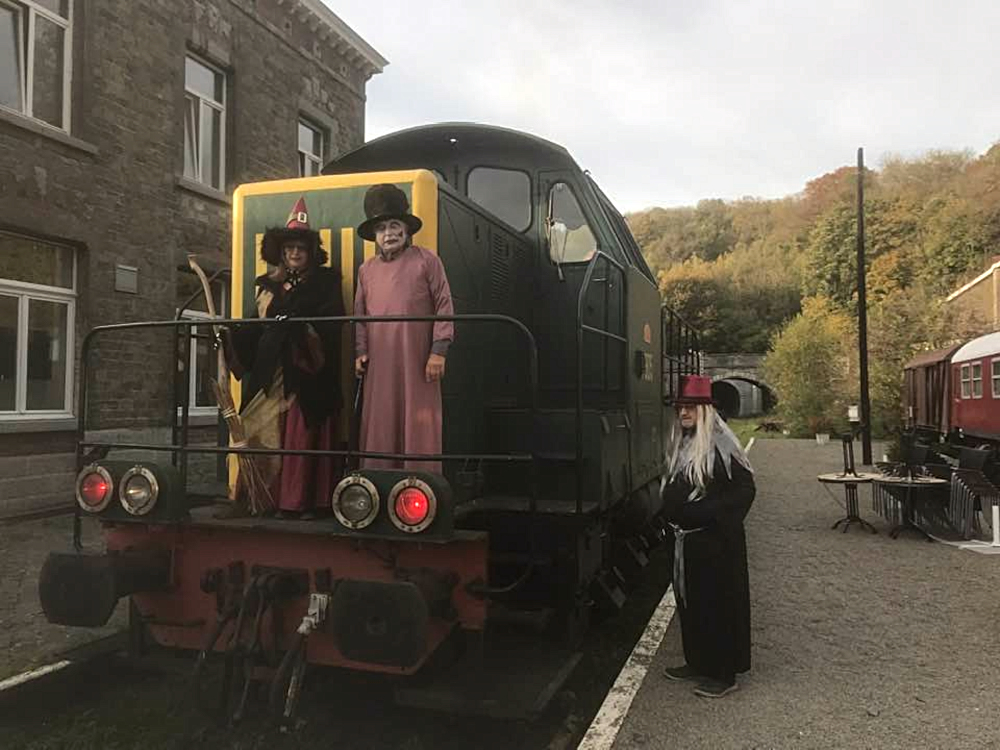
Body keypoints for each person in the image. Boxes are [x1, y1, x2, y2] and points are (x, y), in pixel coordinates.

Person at [226, 196, 344, 518]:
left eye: (301, 249)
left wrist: (293, 324)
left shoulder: (327, 282)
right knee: (254, 426)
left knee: (301, 433)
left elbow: (331, 322)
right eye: (289, 248)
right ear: (281, 252)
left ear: (310, 253)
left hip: (309, 375)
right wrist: (230, 333)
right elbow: (256, 328)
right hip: (270, 371)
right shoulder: (265, 285)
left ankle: (301, 501)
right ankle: (263, 499)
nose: (294, 253)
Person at [660, 374, 755, 698]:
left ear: (705, 410)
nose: (683, 413)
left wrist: (709, 514)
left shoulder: (723, 445)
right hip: (688, 543)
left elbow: (744, 490)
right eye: (681, 408)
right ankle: (698, 661)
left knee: (717, 605)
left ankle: (723, 672)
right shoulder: (685, 443)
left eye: (690, 408)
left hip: (714, 543)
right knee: (691, 605)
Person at [352, 184, 454, 474]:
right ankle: (376, 487)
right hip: (380, 363)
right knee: (380, 421)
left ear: (407, 230)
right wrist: (360, 351)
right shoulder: (366, 270)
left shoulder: (427, 261)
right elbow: (360, 314)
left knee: (419, 422)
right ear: (374, 235)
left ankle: (420, 486)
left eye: (395, 225)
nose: (389, 233)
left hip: (418, 360)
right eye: (382, 227)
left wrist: (439, 351)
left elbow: (444, 305)